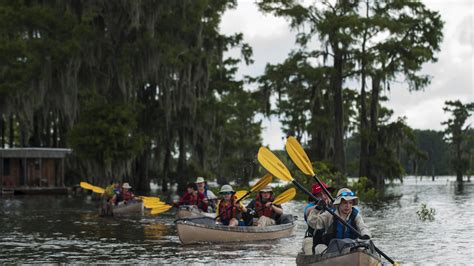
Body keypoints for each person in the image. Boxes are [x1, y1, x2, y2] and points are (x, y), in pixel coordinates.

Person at [307, 188, 371, 255]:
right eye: (345, 202)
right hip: (331, 250)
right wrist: (317, 209)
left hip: (351, 248)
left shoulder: (356, 216)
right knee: (319, 248)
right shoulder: (330, 214)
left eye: (350, 203)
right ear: (339, 203)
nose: (348, 206)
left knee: (362, 248)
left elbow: (363, 227)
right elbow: (313, 223)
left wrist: (365, 235)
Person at [302, 182, 333, 255]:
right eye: (319, 195)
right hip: (312, 238)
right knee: (309, 249)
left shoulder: (335, 205)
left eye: (325, 193)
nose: (323, 196)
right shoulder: (310, 207)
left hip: (329, 239)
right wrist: (318, 207)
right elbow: (308, 211)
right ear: (314, 197)